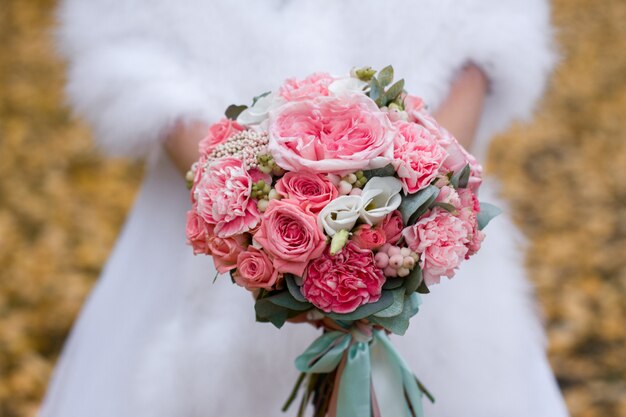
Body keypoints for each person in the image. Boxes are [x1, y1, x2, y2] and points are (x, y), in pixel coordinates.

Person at [40, 0, 570, 416]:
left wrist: (415, 201)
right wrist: (245, 206)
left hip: (419, 205)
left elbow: (483, 34)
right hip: (208, 206)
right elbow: (131, 49)